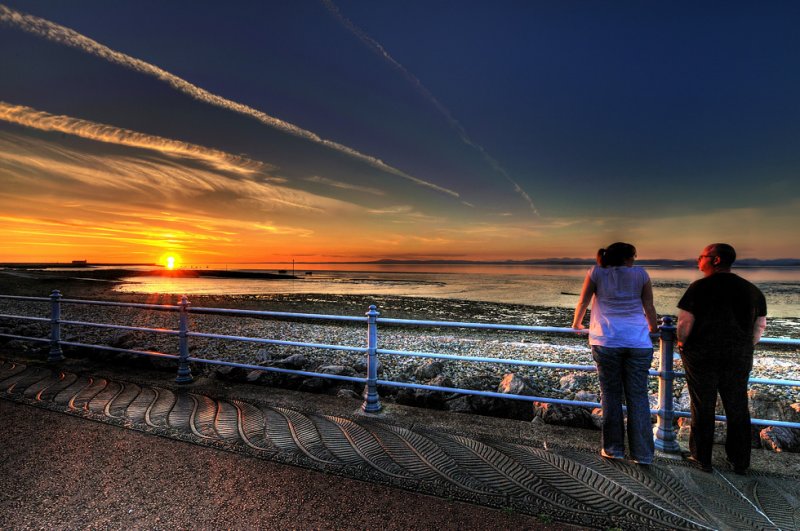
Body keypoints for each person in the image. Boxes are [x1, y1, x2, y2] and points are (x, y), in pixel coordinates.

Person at [676, 243, 767, 474]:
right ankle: (739, 460)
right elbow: (760, 326)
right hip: (738, 355)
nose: (698, 259)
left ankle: (702, 456)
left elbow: (684, 323)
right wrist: (745, 345)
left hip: (702, 354)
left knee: (702, 404)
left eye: (702, 256)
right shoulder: (753, 291)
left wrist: (682, 343)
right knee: (737, 405)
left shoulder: (699, 287)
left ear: (715, 260)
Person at [572, 242, 659, 464]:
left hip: (606, 340)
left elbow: (583, 301)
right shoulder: (641, 274)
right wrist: (654, 329)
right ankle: (643, 454)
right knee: (638, 396)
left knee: (610, 395)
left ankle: (613, 449)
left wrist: (576, 324)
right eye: (635, 255)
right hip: (638, 342)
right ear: (629, 257)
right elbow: (648, 305)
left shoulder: (596, 272)